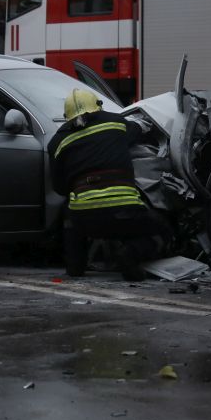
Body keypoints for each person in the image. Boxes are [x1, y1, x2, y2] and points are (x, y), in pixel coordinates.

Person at [48, 88, 170, 281]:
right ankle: (131, 253)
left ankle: (75, 266)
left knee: (69, 211)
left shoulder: (57, 142)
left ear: (66, 116)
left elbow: (59, 187)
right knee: (162, 229)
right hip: (123, 213)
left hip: (84, 218)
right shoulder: (116, 124)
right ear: (98, 107)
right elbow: (139, 131)